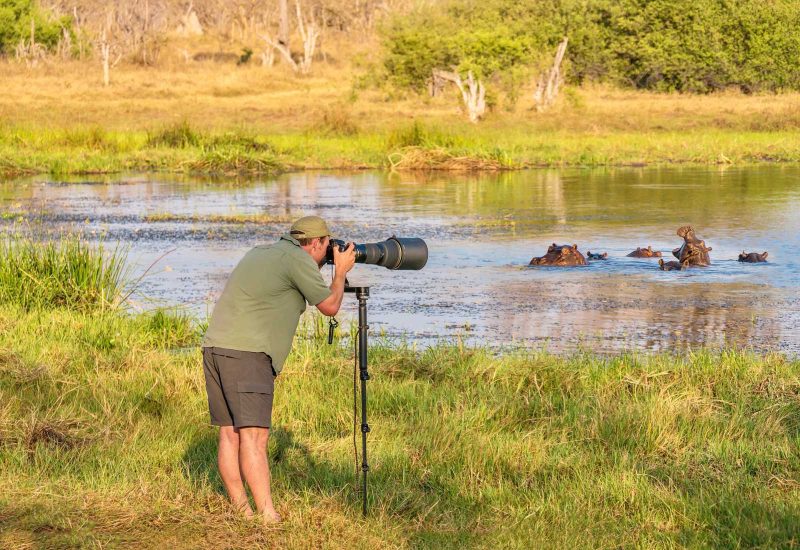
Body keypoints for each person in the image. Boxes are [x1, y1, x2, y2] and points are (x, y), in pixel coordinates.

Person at [201, 215, 355, 524]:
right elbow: (330, 306)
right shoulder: (297, 260)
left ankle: (242, 510)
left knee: (230, 435)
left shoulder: (262, 252)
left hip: (215, 348)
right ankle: (268, 516)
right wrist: (340, 272)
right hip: (247, 355)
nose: (328, 252)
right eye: (326, 246)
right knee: (254, 439)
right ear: (315, 243)